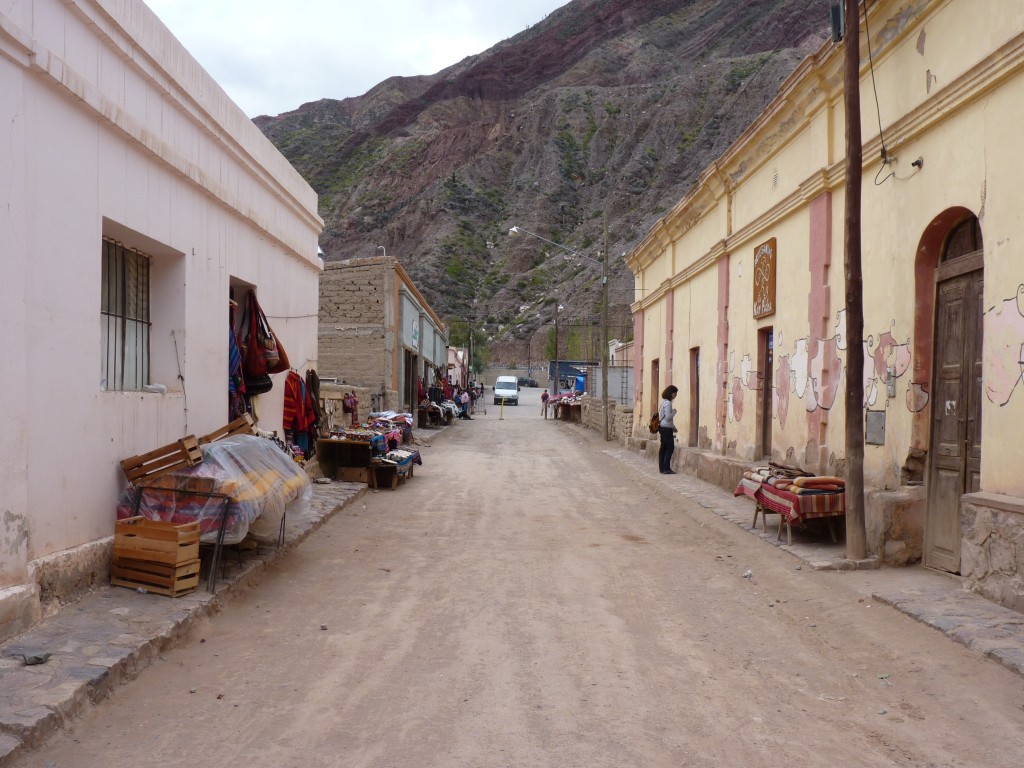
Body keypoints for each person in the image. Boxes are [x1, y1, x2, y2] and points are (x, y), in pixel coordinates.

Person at [658, 385, 679, 474]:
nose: (676, 395)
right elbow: (668, 417)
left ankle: (662, 468)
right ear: (671, 393)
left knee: (663, 448)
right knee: (670, 448)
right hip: (666, 428)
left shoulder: (663, 402)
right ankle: (666, 468)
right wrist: (674, 411)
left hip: (663, 427)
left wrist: (673, 427)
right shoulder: (668, 403)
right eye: (675, 393)